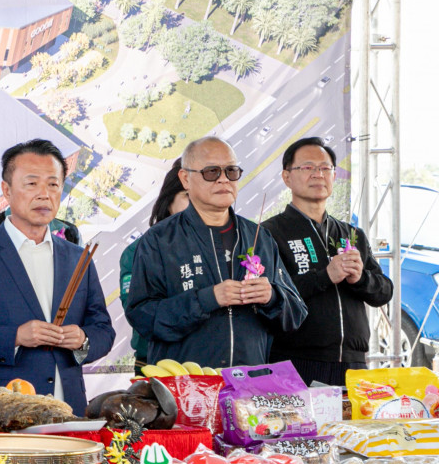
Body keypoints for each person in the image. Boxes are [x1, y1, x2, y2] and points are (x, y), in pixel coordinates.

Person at [0, 140, 113, 412]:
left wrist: (83, 339)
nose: (44, 194)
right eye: (31, 183)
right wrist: (15, 336)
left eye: (53, 184)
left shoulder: (78, 258)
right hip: (2, 411)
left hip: (70, 409)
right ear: (6, 190)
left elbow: (103, 329)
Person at [125, 137, 306, 370]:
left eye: (231, 171)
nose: (223, 179)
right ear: (185, 179)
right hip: (187, 384)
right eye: (212, 172)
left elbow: (296, 313)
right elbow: (143, 318)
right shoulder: (159, 240)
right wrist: (207, 299)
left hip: (248, 382)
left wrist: (272, 297)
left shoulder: (259, 236)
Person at [263, 137, 393, 386]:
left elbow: (384, 292)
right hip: (295, 362)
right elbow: (270, 297)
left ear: (334, 175)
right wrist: (325, 276)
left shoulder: (351, 234)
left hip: (354, 364)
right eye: (308, 167)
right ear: (287, 177)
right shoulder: (270, 232)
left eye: (325, 168)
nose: (318, 174)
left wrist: (360, 278)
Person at [119, 161, 190, 367]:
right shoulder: (138, 251)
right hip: (156, 363)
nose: (197, 204)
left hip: (209, 360)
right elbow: (140, 314)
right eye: (187, 196)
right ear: (169, 200)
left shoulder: (225, 243)